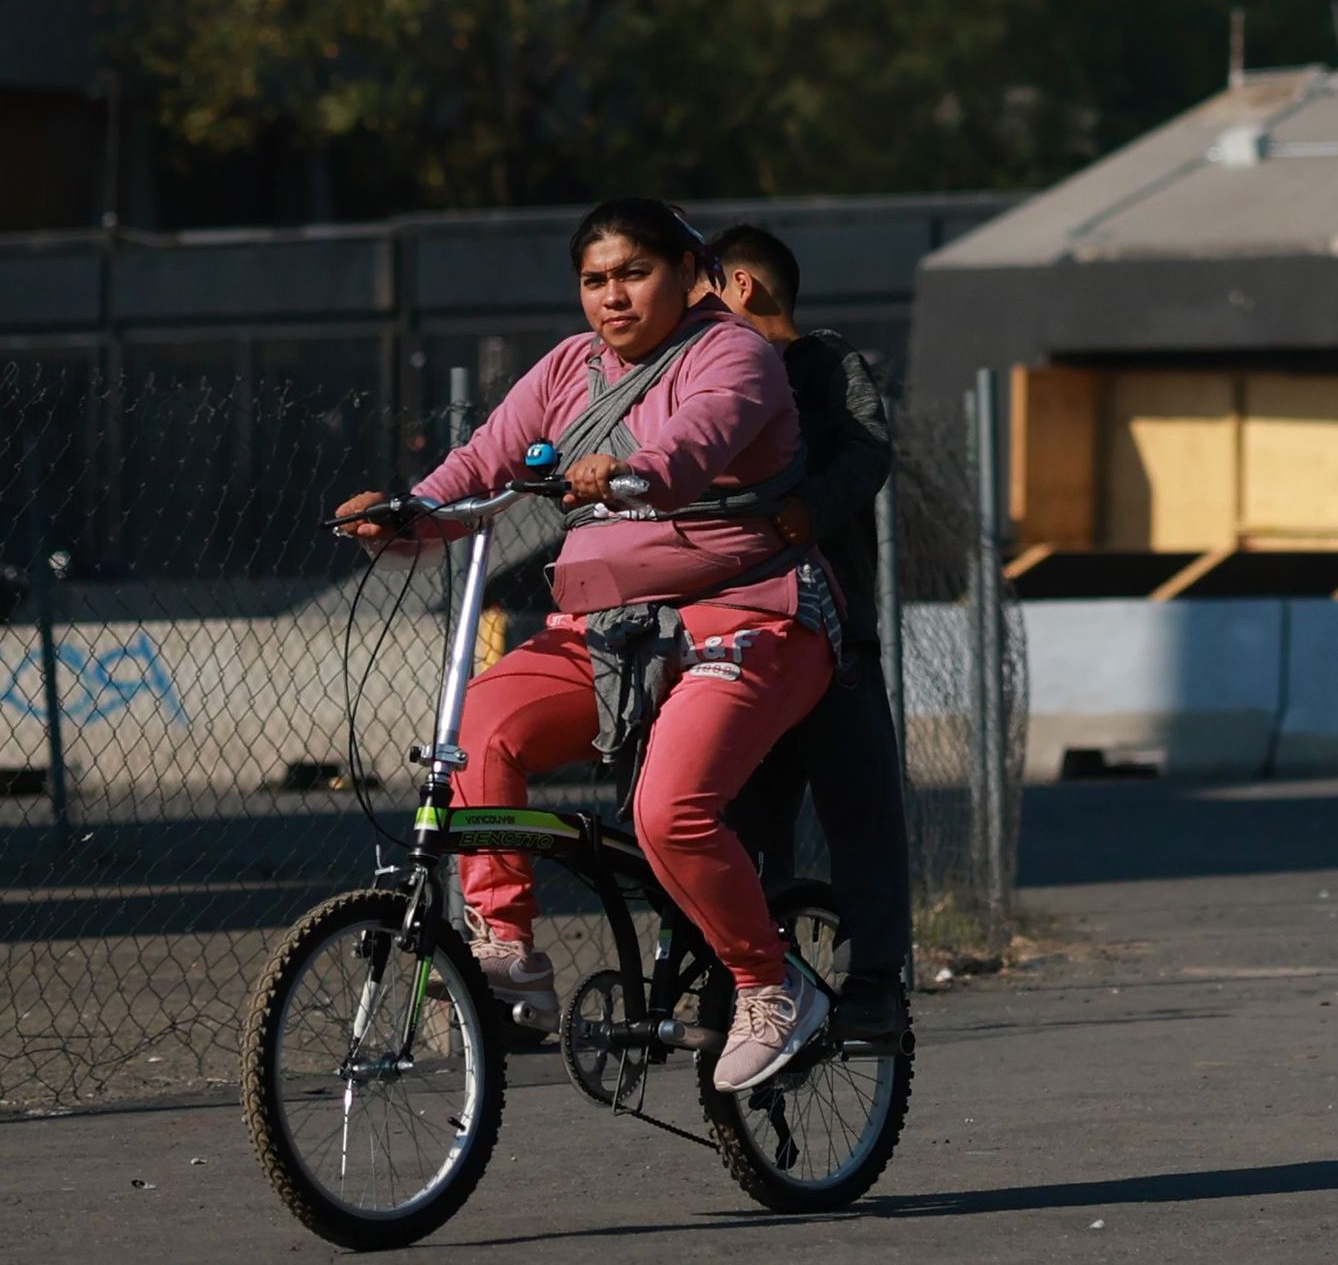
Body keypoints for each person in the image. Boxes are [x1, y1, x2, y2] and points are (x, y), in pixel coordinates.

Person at [334, 198, 841, 1091]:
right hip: (604, 633)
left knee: (668, 811)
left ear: (689, 273)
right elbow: (482, 463)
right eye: (595, 280)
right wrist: (403, 515)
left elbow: (694, 442)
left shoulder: (735, 354)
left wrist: (629, 468)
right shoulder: (571, 364)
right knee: (481, 723)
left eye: (634, 274)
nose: (612, 296)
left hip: (747, 619)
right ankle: (509, 957)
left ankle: (772, 985)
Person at [710, 223, 915, 1035]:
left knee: (857, 806)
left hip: (834, 640)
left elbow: (867, 453)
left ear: (743, 286)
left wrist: (806, 514)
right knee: (742, 818)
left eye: (702, 290)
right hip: (743, 641)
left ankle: (873, 983)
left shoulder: (827, 364)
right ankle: (747, 980)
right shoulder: (707, 379)